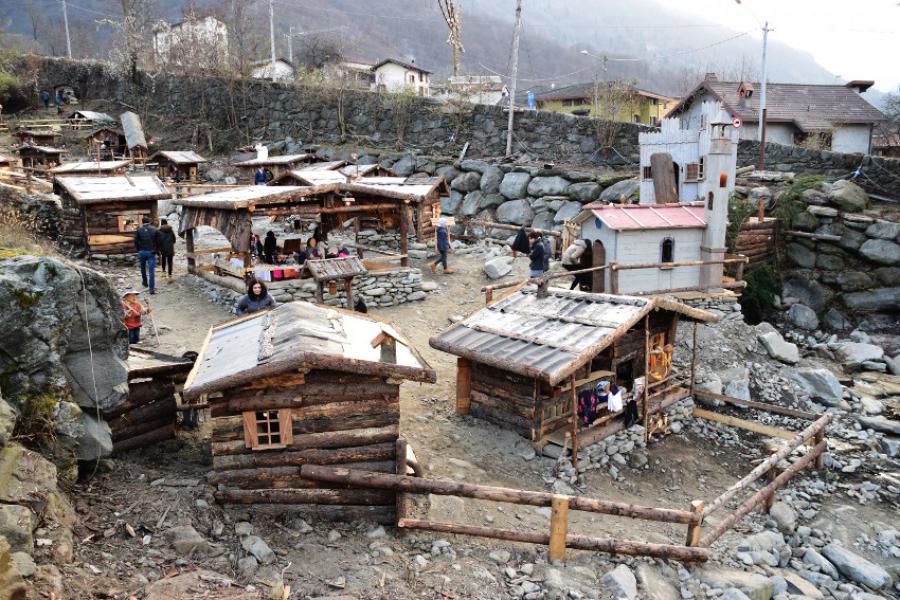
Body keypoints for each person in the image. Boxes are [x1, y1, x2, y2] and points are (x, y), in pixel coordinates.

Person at [134, 217, 159, 294]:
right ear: (149, 221)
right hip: (151, 252)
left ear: (142, 222)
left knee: (143, 267)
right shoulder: (154, 229)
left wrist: (139, 250)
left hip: (142, 251)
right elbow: (158, 241)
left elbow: (135, 241)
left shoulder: (139, 230)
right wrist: (156, 250)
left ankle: (145, 282)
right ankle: (151, 289)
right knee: (151, 271)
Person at [157, 218, 176, 283]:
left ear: (161, 223)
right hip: (170, 248)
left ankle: (163, 272)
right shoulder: (171, 230)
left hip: (163, 248)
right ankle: (170, 276)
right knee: (170, 262)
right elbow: (174, 240)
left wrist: (158, 248)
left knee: (163, 259)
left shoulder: (159, 231)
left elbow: (158, 241)